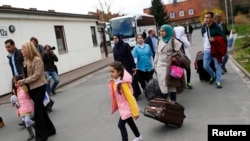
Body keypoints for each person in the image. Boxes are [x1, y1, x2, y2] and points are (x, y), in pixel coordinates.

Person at [18, 41, 56, 141]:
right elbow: (25, 74)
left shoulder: (37, 60)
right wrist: (22, 82)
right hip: (31, 88)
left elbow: (37, 75)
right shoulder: (25, 61)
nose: (22, 51)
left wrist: (23, 81)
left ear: (29, 49)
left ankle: (41, 136)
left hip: (39, 87)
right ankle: (50, 129)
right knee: (41, 110)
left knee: (37, 111)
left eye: (23, 49)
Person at [108, 61, 143, 141]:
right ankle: (138, 136)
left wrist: (135, 112)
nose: (111, 74)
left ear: (119, 72)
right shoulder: (116, 81)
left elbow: (130, 98)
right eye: (110, 72)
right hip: (123, 107)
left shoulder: (123, 84)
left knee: (121, 125)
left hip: (126, 107)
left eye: (113, 71)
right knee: (130, 122)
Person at [154, 24, 189, 103]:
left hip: (170, 66)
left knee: (172, 84)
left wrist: (174, 56)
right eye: (160, 31)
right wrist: (155, 64)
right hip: (160, 66)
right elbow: (157, 53)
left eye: (163, 31)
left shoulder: (173, 41)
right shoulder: (159, 41)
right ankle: (166, 100)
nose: (161, 32)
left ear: (168, 32)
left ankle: (173, 101)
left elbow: (180, 54)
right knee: (163, 85)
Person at [201, 11, 227, 88]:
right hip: (206, 50)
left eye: (208, 17)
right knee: (205, 66)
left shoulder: (216, 27)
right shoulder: (203, 28)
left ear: (212, 18)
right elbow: (204, 39)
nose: (206, 19)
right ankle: (213, 75)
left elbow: (223, 37)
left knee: (217, 66)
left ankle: (218, 81)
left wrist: (215, 39)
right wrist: (204, 47)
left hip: (215, 49)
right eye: (205, 17)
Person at [112, 34, 142, 99]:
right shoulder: (114, 48)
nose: (115, 40)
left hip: (128, 66)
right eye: (114, 38)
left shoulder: (125, 45)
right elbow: (115, 59)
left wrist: (133, 66)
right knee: (123, 81)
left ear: (119, 38)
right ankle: (126, 94)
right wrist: (115, 68)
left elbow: (130, 56)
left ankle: (135, 94)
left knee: (131, 80)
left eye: (116, 38)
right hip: (120, 67)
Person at [4, 39, 26, 127]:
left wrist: (24, 76)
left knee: (28, 96)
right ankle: (25, 117)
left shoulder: (20, 53)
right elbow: (13, 68)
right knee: (19, 98)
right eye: (6, 47)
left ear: (14, 45)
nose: (7, 49)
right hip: (16, 79)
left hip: (23, 78)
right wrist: (14, 79)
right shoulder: (10, 56)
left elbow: (25, 64)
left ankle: (47, 104)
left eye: (9, 47)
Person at [11, 75, 35, 141]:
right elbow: (15, 99)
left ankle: (38, 127)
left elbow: (27, 90)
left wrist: (23, 83)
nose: (16, 84)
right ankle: (31, 134)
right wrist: (13, 101)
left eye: (17, 82)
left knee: (27, 120)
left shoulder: (24, 87)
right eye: (14, 83)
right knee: (26, 121)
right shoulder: (15, 91)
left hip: (27, 106)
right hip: (21, 108)